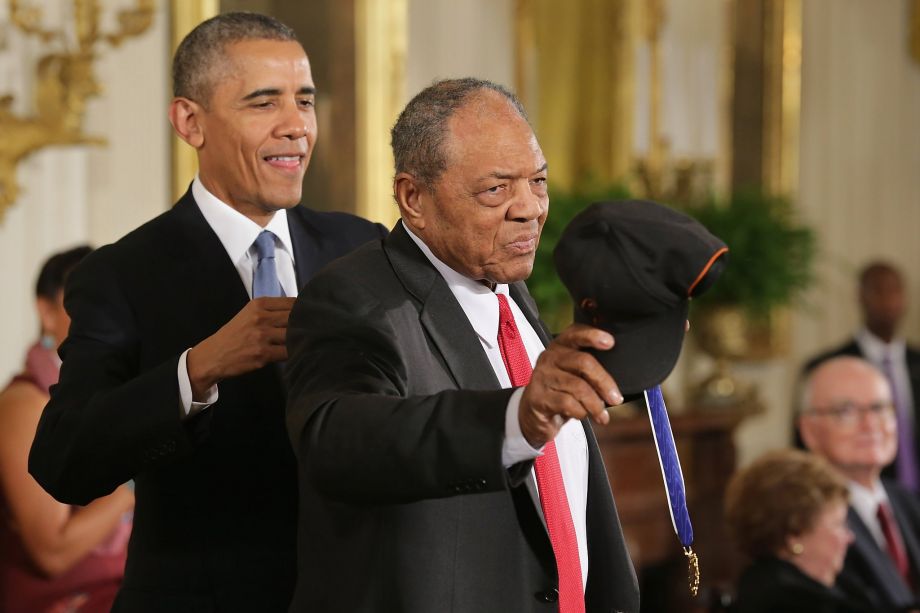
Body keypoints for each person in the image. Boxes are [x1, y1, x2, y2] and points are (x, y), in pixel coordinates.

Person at [28, 12, 386, 613]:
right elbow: (64, 461)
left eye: (305, 100)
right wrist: (196, 371)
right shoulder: (121, 274)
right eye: (263, 103)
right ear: (190, 122)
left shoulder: (364, 248)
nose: (296, 126)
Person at [285, 78, 639, 612]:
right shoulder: (355, 300)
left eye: (538, 181)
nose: (530, 209)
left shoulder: (507, 287)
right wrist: (516, 418)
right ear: (413, 198)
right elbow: (341, 441)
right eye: (495, 190)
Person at [0, 246, 133, 613]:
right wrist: (133, 485)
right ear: (45, 311)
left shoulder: (109, 390)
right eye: (85, 299)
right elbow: (52, 553)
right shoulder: (24, 405)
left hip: (119, 587)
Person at [799, 356, 920, 611]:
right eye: (846, 411)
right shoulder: (804, 519)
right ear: (810, 431)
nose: (870, 425)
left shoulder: (908, 501)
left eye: (879, 408)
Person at [802, 262, 920, 490]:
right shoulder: (826, 368)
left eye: (895, 290)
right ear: (860, 297)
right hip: (850, 496)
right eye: (878, 290)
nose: (888, 300)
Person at [724, 448, 878, 613]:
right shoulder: (783, 602)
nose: (850, 537)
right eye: (838, 524)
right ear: (795, 534)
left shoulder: (840, 585)